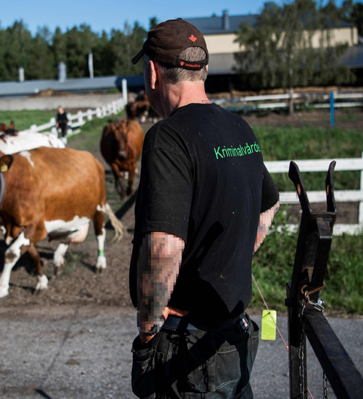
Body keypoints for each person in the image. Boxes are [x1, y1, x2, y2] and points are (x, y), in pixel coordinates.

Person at [128, 18, 280, 399]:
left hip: (189, 342)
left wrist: (148, 329)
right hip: (233, 334)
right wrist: (236, 250)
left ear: (152, 72)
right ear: (204, 69)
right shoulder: (239, 128)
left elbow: (163, 248)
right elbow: (270, 204)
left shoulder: (167, 137)